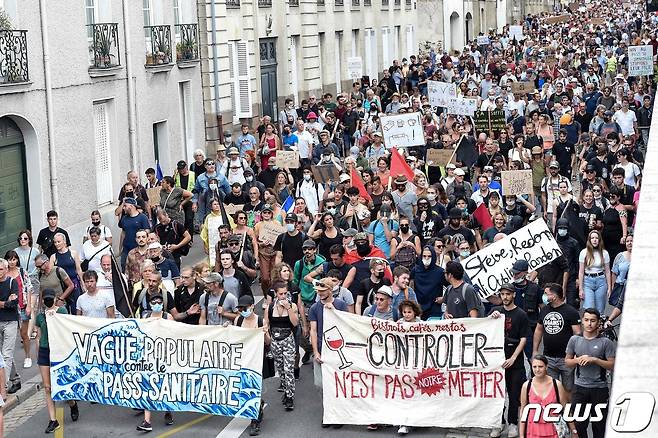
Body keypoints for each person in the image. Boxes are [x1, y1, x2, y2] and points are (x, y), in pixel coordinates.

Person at [565, 308, 615, 438]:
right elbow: (567, 362)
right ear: (582, 321)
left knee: (599, 426)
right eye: (586, 320)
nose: (589, 324)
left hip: (600, 389)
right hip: (580, 388)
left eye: (593, 320)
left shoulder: (606, 342)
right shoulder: (574, 340)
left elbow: (612, 365)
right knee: (579, 425)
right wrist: (577, 360)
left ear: (598, 322)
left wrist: (595, 360)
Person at [489, 284, 531, 438]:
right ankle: (499, 423)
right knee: (497, 395)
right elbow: (486, 329)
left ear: (513, 295)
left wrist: (513, 358)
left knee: (514, 395)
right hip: (497, 361)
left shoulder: (521, 314)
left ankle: (513, 423)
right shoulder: (496, 311)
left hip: (515, 362)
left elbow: (523, 339)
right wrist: (490, 318)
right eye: (502, 294)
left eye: (508, 294)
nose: (505, 297)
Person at [309, 280, 348, 426]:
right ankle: (328, 411)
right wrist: (316, 352)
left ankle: (337, 414)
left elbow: (347, 324)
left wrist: (335, 312)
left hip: (337, 352)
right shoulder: (314, 308)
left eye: (322, 290)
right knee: (320, 384)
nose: (319, 293)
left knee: (337, 383)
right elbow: (313, 330)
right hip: (321, 349)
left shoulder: (341, 305)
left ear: (330, 290)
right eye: (318, 291)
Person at [234, 294, 273, 436]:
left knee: (255, 388)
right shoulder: (238, 320)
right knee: (245, 388)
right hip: (244, 360)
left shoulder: (261, 320)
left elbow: (268, 342)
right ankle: (257, 406)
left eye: (245, 308)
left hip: (258, 359)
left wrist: (264, 334)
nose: (242, 311)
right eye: (240, 308)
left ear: (252, 306)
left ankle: (255, 421)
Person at [36, 288, 73, 433]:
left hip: (59, 351)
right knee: (47, 387)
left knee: (62, 384)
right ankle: (53, 419)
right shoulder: (40, 316)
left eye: (50, 298)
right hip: (45, 352)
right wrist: (38, 351)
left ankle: (72, 403)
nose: (48, 301)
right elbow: (39, 336)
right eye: (46, 299)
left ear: (55, 298)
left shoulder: (62, 312)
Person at [533, 283, 581, 395]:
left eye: (546, 293)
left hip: (566, 358)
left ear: (554, 296)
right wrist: (535, 350)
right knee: (552, 389)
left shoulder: (571, 311)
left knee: (568, 389)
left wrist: (575, 353)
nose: (544, 296)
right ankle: (554, 412)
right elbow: (538, 330)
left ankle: (568, 411)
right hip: (548, 357)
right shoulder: (544, 310)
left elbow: (578, 333)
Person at [136, 292, 174, 432]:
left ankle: (168, 411)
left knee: (165, 386)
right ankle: (147, 421)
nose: (156, 305)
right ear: (150, 304)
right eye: (154, 302)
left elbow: (176, 333)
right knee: (148, 385)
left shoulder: (167, 316)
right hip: (149, 356)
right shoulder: (145, 317)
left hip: (165, 355)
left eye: (159, 302)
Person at [264, 281, 299, 411]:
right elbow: (266, 325)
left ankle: (290, 397)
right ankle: (285, 390)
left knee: (288, 368)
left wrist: (289, 308)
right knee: (281, 369)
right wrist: (266, 336)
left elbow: (295, 323)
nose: (283, 296)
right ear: (276, 294)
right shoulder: (270, 307)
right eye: (281, 294)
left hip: (288, 339)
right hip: (275, 340)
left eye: (285, 293)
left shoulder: (292, 305)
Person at [519, 354, 570, 438]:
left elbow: (566, 408)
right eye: (534, 367)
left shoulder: (556, 384)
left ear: (546, 367)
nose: (537, 370)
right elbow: (523, 410)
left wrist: (574, 430)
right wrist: (521, 434)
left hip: (553, 429)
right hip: (533, 430)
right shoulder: (526, 386)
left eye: (540, 366)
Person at [578, 230, 611, 315]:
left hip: (601, 281)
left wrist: (609, 288)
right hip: (587, 281)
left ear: (599, 240)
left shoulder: (604, 253)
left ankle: (599, 327)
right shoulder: (583, 252)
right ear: (589, 240)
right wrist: (580, 289)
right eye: (592, 238)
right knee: (589, 309)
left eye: (596, 238)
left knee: (600, 310)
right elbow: (581, 272)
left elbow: (607, 272)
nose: (594, 240)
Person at [118, 198, 150, 269]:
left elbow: (147, 232)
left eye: (125, 206)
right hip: (126, 250)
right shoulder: (124, 218)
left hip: (138, 250)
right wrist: (120, 248)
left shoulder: (142, 218)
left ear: (131, 206)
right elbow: (123, 233)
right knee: (124, 267)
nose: (124, 208)